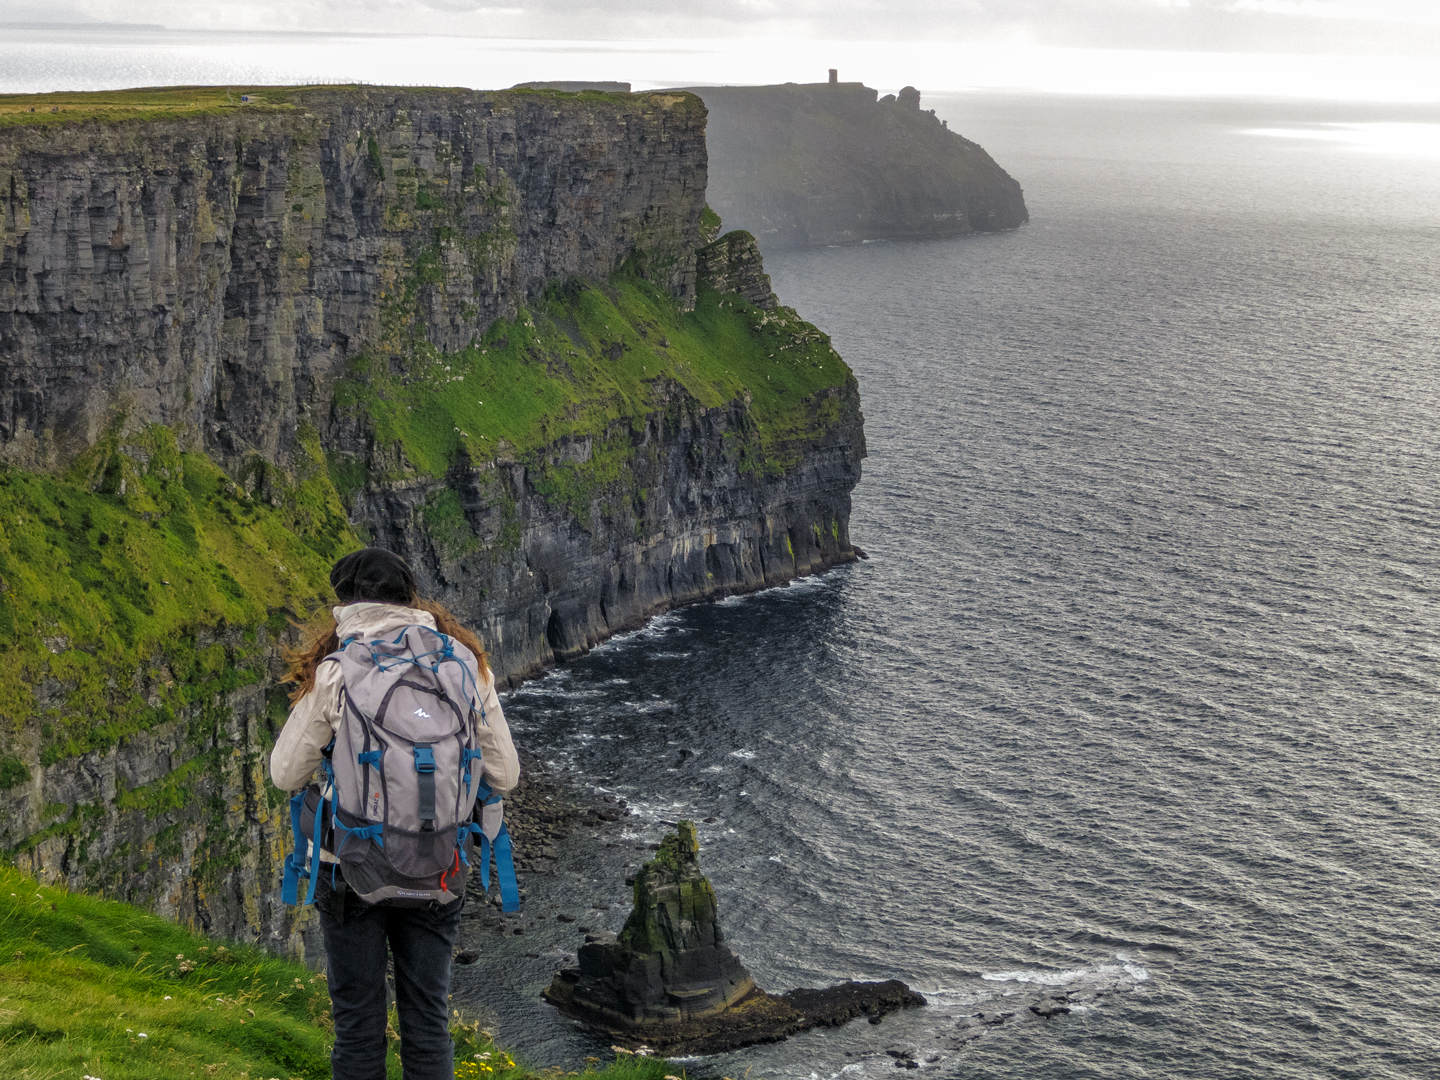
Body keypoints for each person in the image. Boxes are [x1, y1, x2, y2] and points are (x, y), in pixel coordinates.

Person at [270, 547, 519, 1080]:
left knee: (359, 1027)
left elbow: (286, 774)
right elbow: (506, 774)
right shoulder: (464, 664)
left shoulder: (338, 670)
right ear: (412, 599)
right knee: (428, 1023)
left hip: (351, 871)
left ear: (345, 604)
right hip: (440, 865)